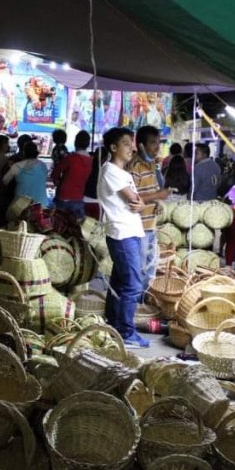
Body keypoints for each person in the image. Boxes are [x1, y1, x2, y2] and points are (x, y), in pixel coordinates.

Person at [98, 127, 147, 348]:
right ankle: (126, 333)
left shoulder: (122, 173)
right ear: (113, 147)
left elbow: (138, 203)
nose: (133, 148)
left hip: (130, 232)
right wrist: (143, 203)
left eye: (132, 143)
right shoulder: (110, 170)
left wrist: (142, 203)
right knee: (133, 285)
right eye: (127, 144)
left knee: (120, 282)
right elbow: (134, 200)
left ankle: (114, 325)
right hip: (122, 234)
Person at [130, 126, 171, 292]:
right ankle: (137, 305)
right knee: (139, 270)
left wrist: (158, 203)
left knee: (150, 270)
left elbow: (150, 192)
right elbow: (132, 198)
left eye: (158, 143)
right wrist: (159, 196)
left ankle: (143, 300)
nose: (157, 148)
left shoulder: (152, 166)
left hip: (151, 226)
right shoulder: (134, 167)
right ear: (141, 145)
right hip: (138, 228)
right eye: (153, 143)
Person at [52, 130, 93, 221]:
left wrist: (58, 180)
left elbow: (54, 174)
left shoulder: (70, 158)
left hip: (63, 196)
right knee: (76, 228)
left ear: (75, 142)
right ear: (88, 144)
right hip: (78, 197)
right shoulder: (91, 161)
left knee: (60, 225)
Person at [3, 139, 49, 207]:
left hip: (21, 206)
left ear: (24, 153)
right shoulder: (43, 166)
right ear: (36, 152)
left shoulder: (17, 166)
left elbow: (5, 180)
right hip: (41, 205)